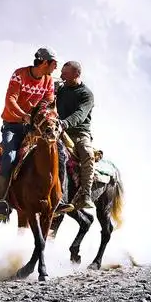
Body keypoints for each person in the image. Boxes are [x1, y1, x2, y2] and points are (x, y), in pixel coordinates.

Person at [0, 48, 59, 219]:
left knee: (60, 154)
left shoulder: (49, 80)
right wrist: (24, 116)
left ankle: (58, 198)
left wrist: (45, 118)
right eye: (54, 64)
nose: (55, 68)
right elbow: (10, 100)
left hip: (36, 128)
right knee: (10, 157)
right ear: (45, 62)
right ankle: (2, 201)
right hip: (13, 126)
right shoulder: (19, 75)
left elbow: (48, 102)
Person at [56, 61, 97, 211]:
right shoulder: (60, 89)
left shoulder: (86, 94)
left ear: (76, 74)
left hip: (79, 133)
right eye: (61, 73)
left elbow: (80, 114)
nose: (61, 76)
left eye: (65, 74)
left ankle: (85, 194)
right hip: (58, 131)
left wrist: (65, 123)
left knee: (87, 154)